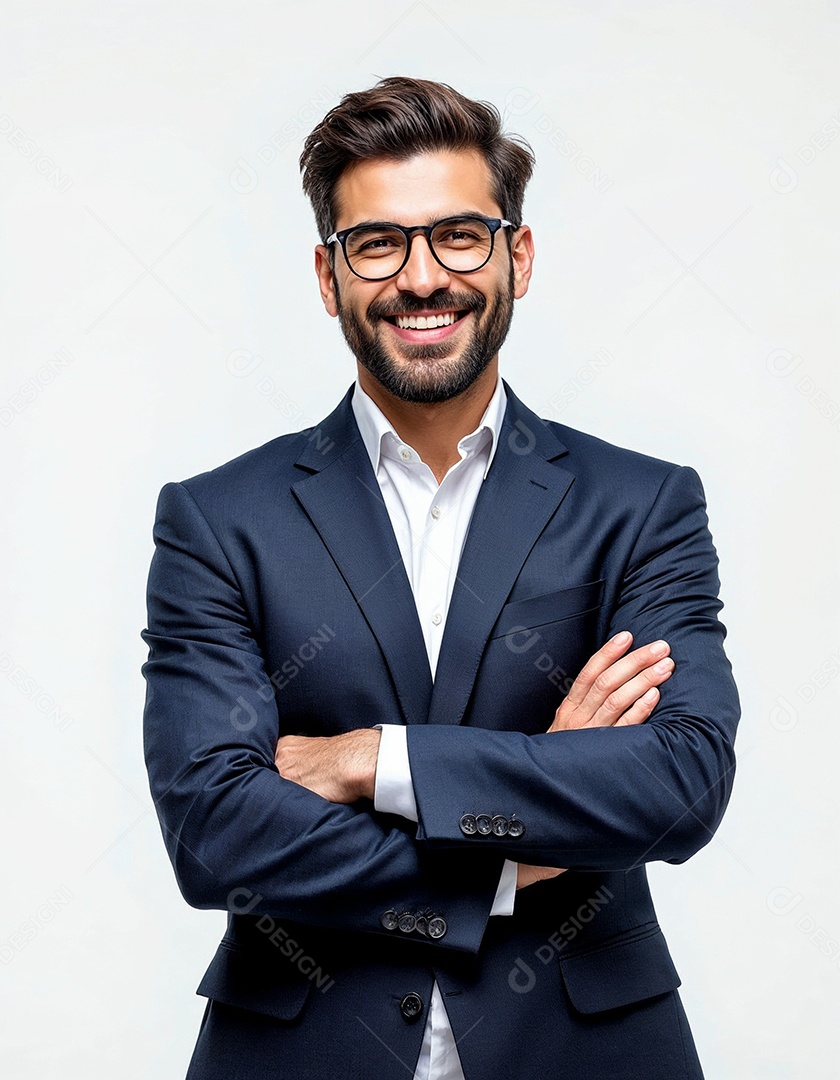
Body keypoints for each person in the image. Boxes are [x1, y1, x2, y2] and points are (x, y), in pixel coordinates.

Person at [142, 76, 739, 1080]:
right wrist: (514, 849)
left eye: (460, 235)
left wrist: (373, 760)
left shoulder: (643, 506)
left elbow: (679, 786)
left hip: (587, 1046)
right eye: (378, 244)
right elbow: (215, 835)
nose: (423, 277)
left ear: (519, 255)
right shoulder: (218, 520)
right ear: (329, 277)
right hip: (300, 1047)